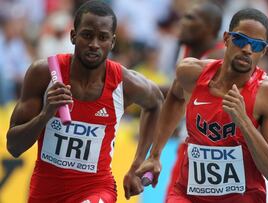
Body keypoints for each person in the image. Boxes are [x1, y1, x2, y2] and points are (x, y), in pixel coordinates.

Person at [5, 1, 163, 202]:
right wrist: (45, 115)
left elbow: (156, 102)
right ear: (73, 36)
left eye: (103, 37)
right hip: (44, 192)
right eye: (87, 35)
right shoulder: (43, 74)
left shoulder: (125, 83)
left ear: (112, 42)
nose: (94, 44)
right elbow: (14, 147)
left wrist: (141, 162)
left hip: (96, 190)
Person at [136, 8, 268, 203]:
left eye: (256, 45)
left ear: (264, 51)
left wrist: (244, 122)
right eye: (241, 40)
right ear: (226, 38)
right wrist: (155, 154)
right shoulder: (190, 73)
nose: (247, 49)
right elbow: (174, 99)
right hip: (188, 195)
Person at [165, 1, 225, 198]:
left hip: (212, 153)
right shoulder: (186, 51)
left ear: (211, 28)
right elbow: (176, 94)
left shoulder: (220, 58)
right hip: (187, 147)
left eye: (191, 18)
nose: (182, 22)